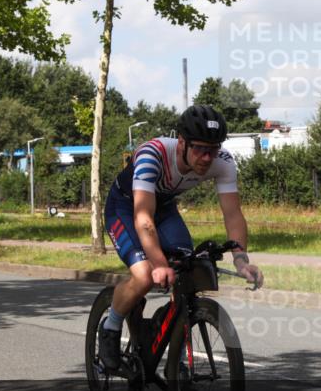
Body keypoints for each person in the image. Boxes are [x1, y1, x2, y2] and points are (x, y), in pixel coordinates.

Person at [98, 105, 263, 372]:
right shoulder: (153, 154)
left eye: (213, 149)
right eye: (200, 149)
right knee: (144, 275)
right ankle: (111, 326)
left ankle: (173, 350)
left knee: (188, 269)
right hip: (126, 207)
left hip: (163, 209)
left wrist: (241, 260)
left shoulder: (222, 161)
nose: (207, 157)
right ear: (182, 142)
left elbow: (233, 214)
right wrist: (158, 263)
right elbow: (143, 217)